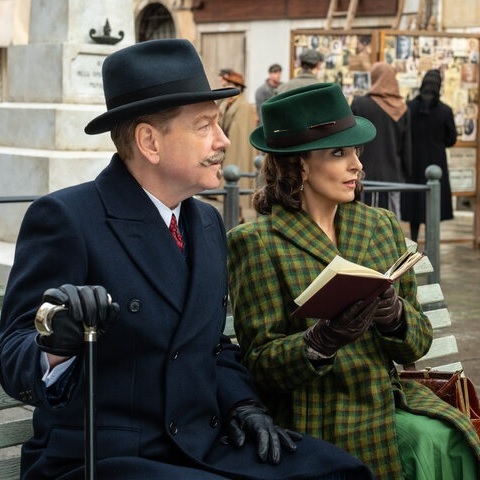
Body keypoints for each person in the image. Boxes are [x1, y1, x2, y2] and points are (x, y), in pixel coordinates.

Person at [0, 39, 375, 480]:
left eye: (217, 123)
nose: (223, 140)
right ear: (149, 142)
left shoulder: (206, 223)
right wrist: (56, 346)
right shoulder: (68, 218)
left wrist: (244, 404)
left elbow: (210, 346)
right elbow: (13, 354)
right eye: (204, 126)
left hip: (202, 443)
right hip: (101, 457)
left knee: (344, 472)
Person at [227, 82, 480, 480]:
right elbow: (260, 366)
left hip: (387, 399)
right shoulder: (256, 243)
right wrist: (320, 342)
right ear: (299, 165)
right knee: (427, 444)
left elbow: (418, 343)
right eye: (339, 153)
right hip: (314, 414)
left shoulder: (379, 225)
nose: (357, 165)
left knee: (449, 440)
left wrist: (395, 317)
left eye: (356, 152)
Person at [401, 69, 457, 241]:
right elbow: (451, 139)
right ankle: (431, 244)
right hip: (436, 162)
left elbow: (402, 134)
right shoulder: (445, 111)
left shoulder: (409, 107)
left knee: (414, 204)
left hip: (414, 162)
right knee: (434, 203)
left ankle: (414, 240)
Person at [351, 62, 412, 219]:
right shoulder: (402, 108)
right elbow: (406, 147)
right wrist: (406, 173)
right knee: (390, 221)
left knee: (362, 218)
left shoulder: (360, 104)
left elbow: (350, 139)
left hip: (362, 172)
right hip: (392, 176)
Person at [218, 70, 257, 215]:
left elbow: (240, 132)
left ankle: (238, 213)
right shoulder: (227, 103)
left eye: (228, 85)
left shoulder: (244, 106)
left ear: (237, 87)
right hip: (228, 144)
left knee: (237, 178)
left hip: (237, 149)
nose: (225, 87)